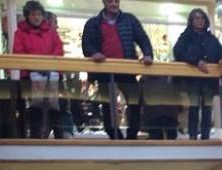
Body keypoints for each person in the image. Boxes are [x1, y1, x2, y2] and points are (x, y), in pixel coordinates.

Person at [81, 0, 153, 140]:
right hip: (104, 71)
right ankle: (115, 136)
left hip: (127, 70)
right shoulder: (93, 23)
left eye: (116, 1)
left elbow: (142, 38)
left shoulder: (129, 19)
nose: (114, 4)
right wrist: (93, 53)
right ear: (104, 2)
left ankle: (132, 135)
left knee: (135, 102)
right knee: (108, 106)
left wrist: (148, 54)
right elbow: (86, 43)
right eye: (110, 1)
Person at [12, 0, 65, 139]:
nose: (36, 17)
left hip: (51, 75)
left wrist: (49, 67)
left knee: (55, 107)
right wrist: (34, 68)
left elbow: (59, 50)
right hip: (30, 77)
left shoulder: (51, 32)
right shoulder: (20, 33)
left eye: (39, 14)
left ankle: (60, 136)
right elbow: (18, 53)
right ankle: (36, 137)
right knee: (35, 109)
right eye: (33, 14)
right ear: (27, 16)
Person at [172, 8, 222, 140]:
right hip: (193, 80)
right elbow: (178, 52)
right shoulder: (186, 36)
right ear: (191, 21)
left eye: (202, 18)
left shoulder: (211, 38)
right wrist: (196, 61)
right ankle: (193, 137)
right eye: (196, 18)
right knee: (194, 107)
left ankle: (206, 137)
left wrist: (219, 63)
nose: (200, 21)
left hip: (209, 80)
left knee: (207, 109)